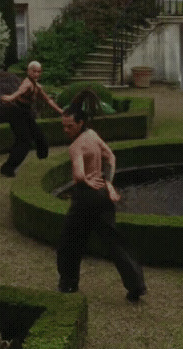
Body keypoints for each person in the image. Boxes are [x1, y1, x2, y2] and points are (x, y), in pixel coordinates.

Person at [57, 90, 146, 302]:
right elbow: (111, 157)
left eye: (70, 126)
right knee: (114, 242)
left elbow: (78, 174)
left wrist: (85, 180)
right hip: (102, 196)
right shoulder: (93, 135)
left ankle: (68, 284)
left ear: (80, 123)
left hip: (85, 197)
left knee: (69, 241)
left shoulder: (76, 146)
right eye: (64, 125)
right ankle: (136, 286)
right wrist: (108, 183)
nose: (66, 130)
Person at [0, 61, 63, 177]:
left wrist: (60, 111)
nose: (36, 74)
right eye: (34, 71)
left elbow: (48, 100)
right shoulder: (27, 83)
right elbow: (20, 91)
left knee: (39, 136)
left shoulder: (37, 86)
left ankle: (42, 155)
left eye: (39, 71)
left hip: (26, 113)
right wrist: (10, 98)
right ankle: (7, 168)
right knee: (24, 142)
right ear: (29, 71)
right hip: (16, 113)